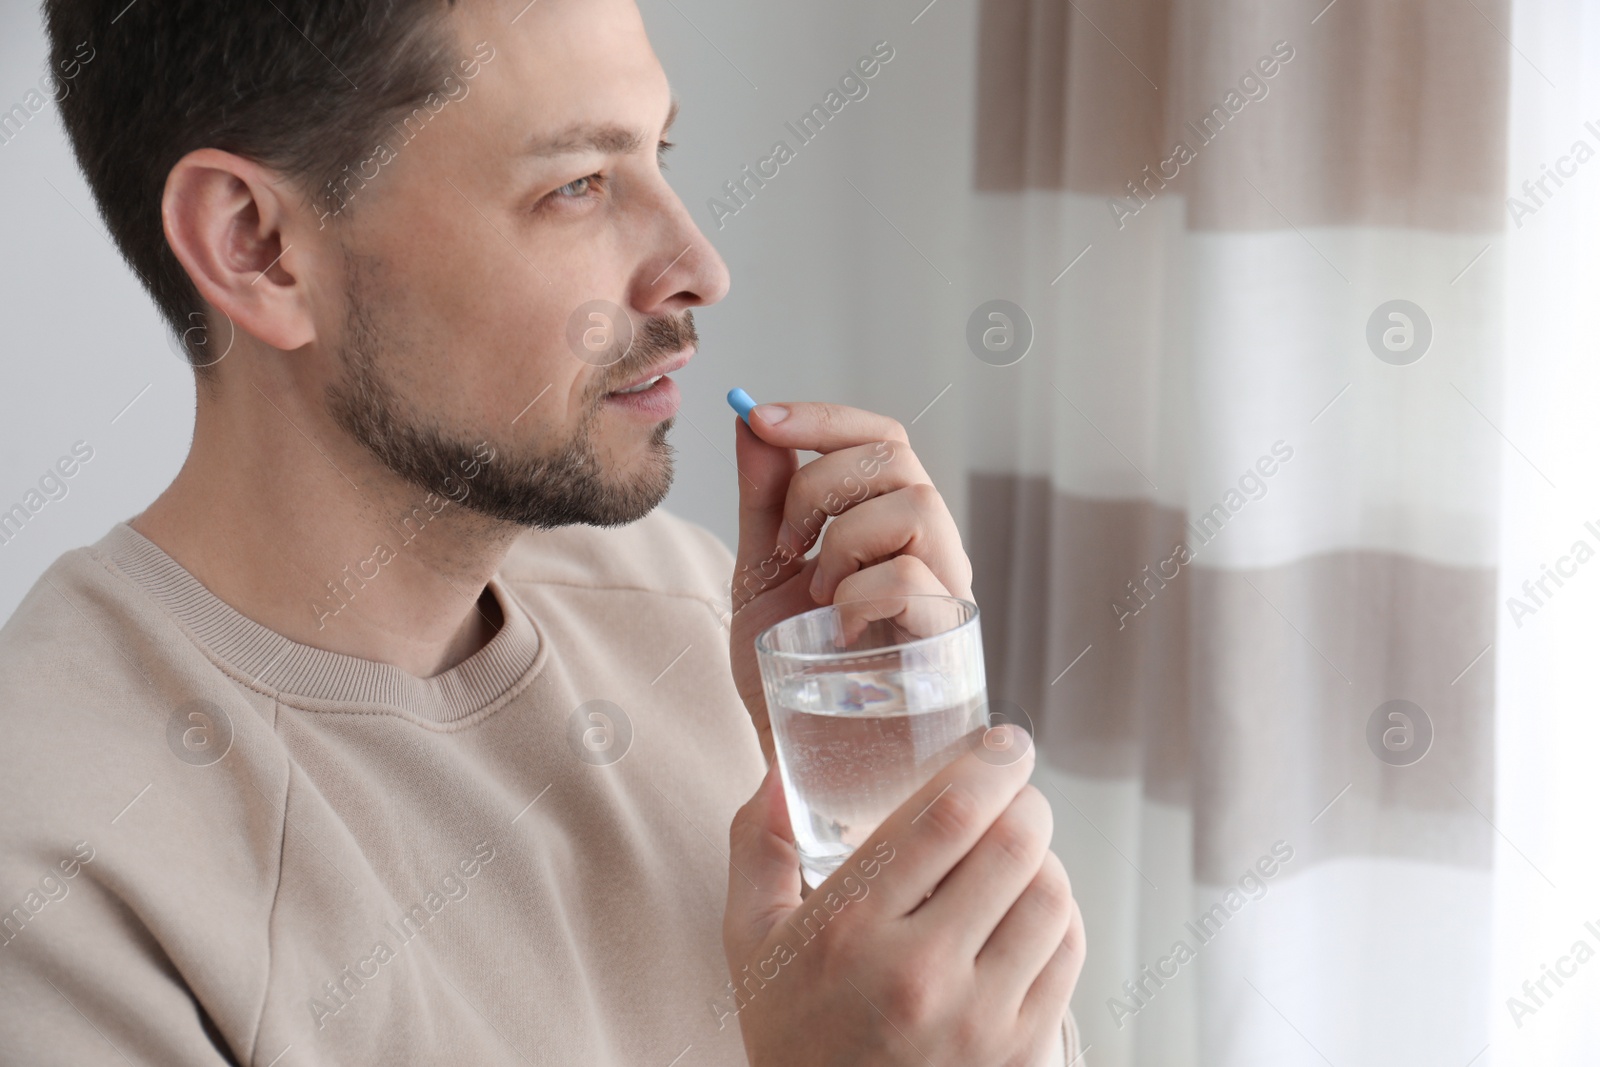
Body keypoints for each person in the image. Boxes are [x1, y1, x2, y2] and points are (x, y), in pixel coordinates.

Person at [0, 0, 1085, 1062]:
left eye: (660, 151)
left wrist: (870, 775)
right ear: (259, 247)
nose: (700, 267)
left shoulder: (700, 609)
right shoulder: (56, 864)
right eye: (578, 184)